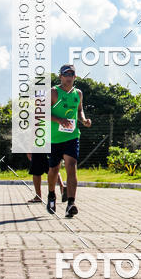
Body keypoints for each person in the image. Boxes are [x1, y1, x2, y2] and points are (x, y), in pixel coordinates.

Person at [47, 65, 91, 218]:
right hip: (54, 138)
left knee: (71, 166)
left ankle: (71, 203)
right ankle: (51, 195)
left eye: (71, 74)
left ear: (75, 77)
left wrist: (83, 120)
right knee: (54, 169)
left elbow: (79, 110)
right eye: (66, 74)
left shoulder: (78, 93)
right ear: (60, 77)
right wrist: (59, 120)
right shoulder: (53, 92)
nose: (69, 77)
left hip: (72, 136)